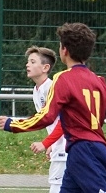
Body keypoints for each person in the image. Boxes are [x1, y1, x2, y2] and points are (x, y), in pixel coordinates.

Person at [0, 23, 106, 193]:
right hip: (87, 150)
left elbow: (47, 115)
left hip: (84, 150)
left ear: (64, 50)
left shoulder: (63, 79)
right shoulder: (98, 81)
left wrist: (14, 124)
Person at [24, 46, 67, 193]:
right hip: (60, 147)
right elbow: (50, 121)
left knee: (57, 186)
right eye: (28, 62)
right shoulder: (36, 91)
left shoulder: (52, 88)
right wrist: (52, 144)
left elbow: (65, 122)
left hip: (67, 147)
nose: (27, 65)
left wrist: (46, 143)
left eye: (32, 62)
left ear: (45, 67)